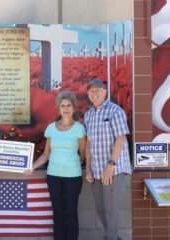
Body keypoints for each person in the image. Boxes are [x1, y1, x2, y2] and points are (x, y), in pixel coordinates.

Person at [26, 91, 86, 240]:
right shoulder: (51, 128)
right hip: (53, 176)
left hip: (73, 176)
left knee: (71, 212)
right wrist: (32, 167)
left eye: (68, 105)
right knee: (57, 213)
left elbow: (83, 153)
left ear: (74, 108)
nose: (65, 108)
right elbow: (46, 154)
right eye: (62, 105)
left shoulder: (79, 128)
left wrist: (74, 163)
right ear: (58, 109)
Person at [83, 79, 132, 240]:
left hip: (114, 170)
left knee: (111, 210)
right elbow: (89, 143)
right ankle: (114, 237)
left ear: (105, 92)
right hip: (96, 171)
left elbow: (120, 139)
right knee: (100, 209)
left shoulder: (115, 111)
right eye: (91, 91)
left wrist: (111, 165)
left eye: (98, 90)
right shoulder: (89, 114)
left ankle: (111, 237)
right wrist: (88, 168)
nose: (94, 93)